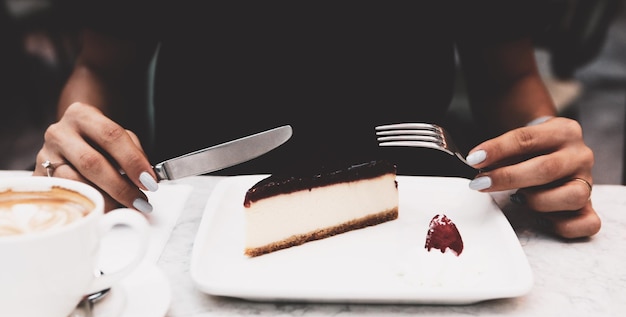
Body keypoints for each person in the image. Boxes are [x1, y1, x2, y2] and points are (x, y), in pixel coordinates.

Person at [32, 1, 601, 239]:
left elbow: (507, 76)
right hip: (196, 221)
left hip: (411, 219)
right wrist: (82, 146)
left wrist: (541, 159)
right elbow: (101, 67)